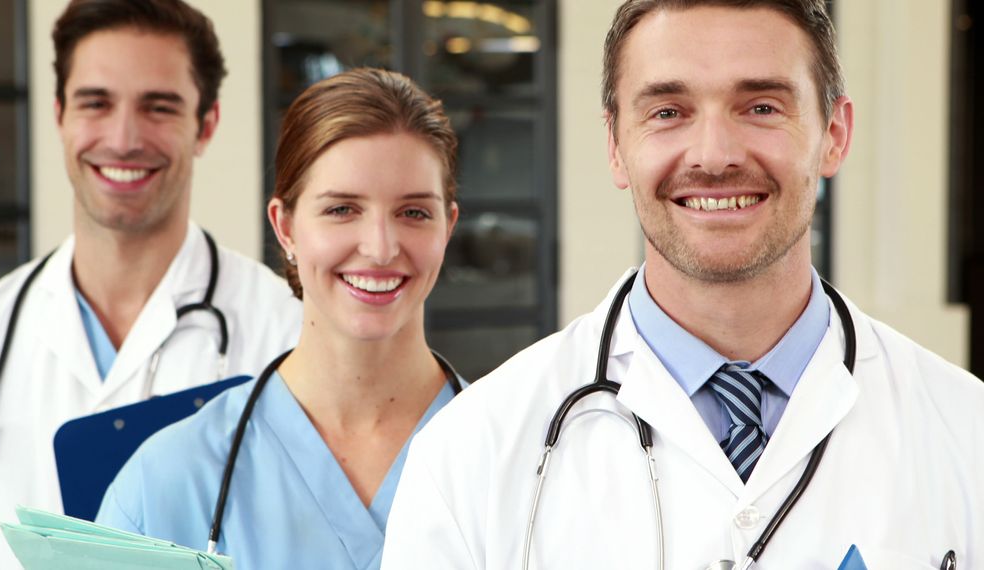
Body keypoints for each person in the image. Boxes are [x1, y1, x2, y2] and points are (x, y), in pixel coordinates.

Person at [381, 1, 984, 568]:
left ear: (834, 133)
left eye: (762, 107)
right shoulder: (470, 451)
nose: (715, 155)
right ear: (616, 145)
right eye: (668, 112)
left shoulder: (965, 431)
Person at [0, 1, 303, 568]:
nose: (123, 138)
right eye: (96, 103)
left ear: (206, 125)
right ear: (60, 114)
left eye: (159, 107)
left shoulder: (287, 332)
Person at [94, 67, 463, 569]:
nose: (380, 248)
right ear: (285, 227)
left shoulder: (518, 456)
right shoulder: (168, 481)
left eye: (414, 213)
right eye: (341, 210)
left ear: (448, 226)